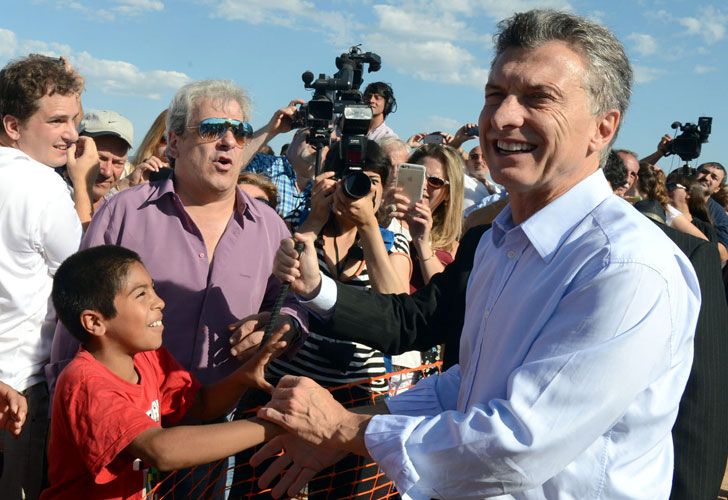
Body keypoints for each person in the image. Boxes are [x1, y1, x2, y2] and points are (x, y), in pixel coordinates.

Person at [253, 9, 700, 499]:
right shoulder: (499, 242)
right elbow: (469, 385)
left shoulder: (625, 267)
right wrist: (358, 430)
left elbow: (516, 444)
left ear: (603, 128)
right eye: (495, 94)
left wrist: (345, 430)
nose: (504, 116)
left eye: (538, 98)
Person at [47, 79, 307, 497]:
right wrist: (64, 415)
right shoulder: (125, 212)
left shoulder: (269, 226)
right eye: (212, 129)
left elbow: (291, 300)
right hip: (117, 436)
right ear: (173, 142)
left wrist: (282, 326)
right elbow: (75, 322)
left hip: (214, 430)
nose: (228, 142)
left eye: (238, 131)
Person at [42, 245, 291, 499]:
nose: (159, 301)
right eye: (141, 294)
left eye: (154, 289)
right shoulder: (84, 382)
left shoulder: (147, 357)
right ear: (95, 322)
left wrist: (243, 377)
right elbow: (160, 450)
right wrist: (274, 426)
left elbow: (200, 404)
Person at [0, 54, 97, 500]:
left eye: (75, 119)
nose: (72, 134)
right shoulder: (41, 186)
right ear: (13, 125)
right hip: (18, 387)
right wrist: (80, 184)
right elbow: (81, 276)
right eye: (57, 120)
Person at [392, 144, 463, 291]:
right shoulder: (380, 218)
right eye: (418, 176)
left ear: (448, 193)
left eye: (435, 181)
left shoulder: (451, 246)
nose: (423, 185)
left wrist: (422, 243)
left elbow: (443, 295)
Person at [79, 109, 134, 211]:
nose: (107, 172)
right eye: (101, 159)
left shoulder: (121, 206)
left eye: (117, 163)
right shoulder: (55, 196)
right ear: (77, 150)